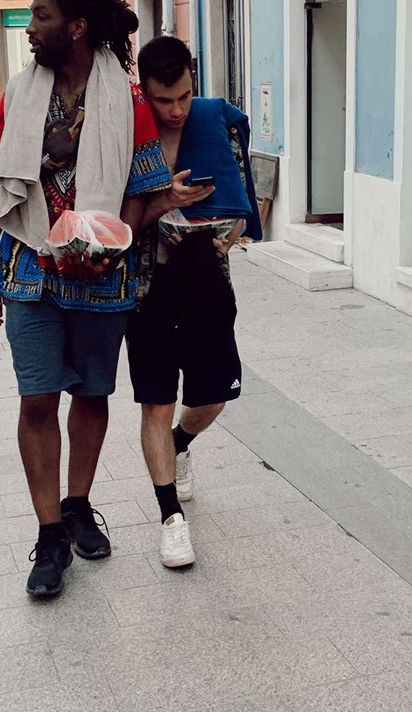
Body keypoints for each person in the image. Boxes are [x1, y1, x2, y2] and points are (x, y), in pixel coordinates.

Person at [0, 0, 170, 599]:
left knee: (90, 394)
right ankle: (51, 533)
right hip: (29, 271)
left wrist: (108, 246)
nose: (30, 29)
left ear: (77, 27)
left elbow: (145, 190)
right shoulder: (18, 94)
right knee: (37, 400)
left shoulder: (128, 99)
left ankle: (79, 504)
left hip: (101, 278)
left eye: (41, 17)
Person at [127, 36, 262, 568]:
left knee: (212, 399)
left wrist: (229, 235)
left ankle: (180, 443)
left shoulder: (212, 124)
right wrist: (164, 204)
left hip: (207, 280)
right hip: (146, 286)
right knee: (156, 402)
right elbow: (115, 218)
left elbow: (241, 197)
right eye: (164, 100)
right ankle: (170, 519)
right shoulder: (129, 135)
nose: (177, 110)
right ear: (144, 91)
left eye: (184, 96)